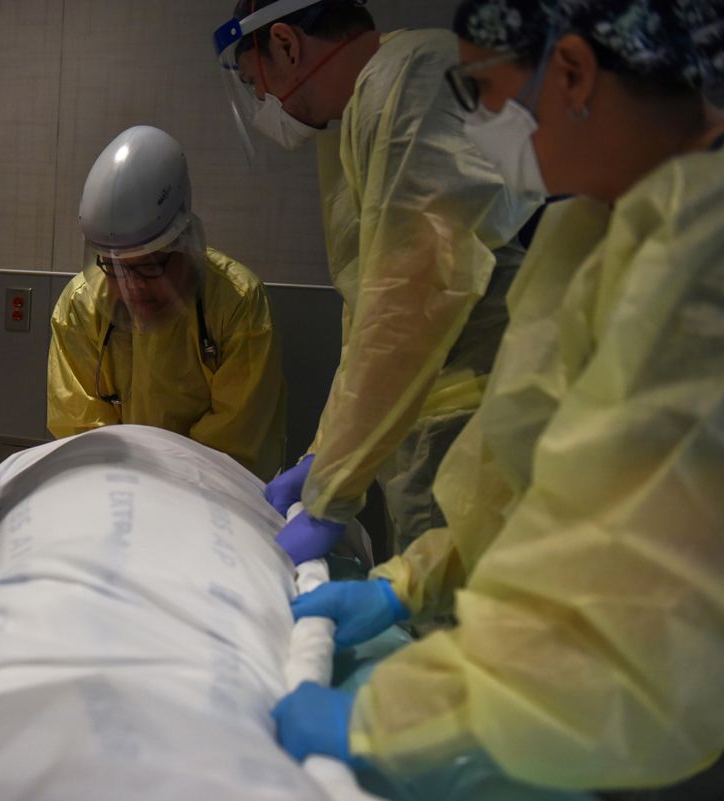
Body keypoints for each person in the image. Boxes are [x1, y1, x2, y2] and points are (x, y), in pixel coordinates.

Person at [273, 1, 724, 796]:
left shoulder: (701, 260)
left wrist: (387, 721)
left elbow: (632, 610)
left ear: (576, 73)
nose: (476, 122)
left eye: (482, 89)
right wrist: (413, 575)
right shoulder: (594, 228)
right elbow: (517, 469)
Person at [214, 0, 540, 562]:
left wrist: (333, 488)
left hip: (480, 424)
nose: (266, 107)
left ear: (288, 46)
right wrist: (326, 452)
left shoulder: (411, 83)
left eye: (256, 83)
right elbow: (370, 311)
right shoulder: (374, 102)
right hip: (440, 419)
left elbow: (411, 301)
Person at [47, 126, 287, 481]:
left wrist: (164, 490)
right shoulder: (81, 306)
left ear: (184, 245)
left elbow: (236, 442)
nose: (132, 290)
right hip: (114, 490)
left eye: (148, 267)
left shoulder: (237, 303)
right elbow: (79, 435)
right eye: (114, 269)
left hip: (210, 494)